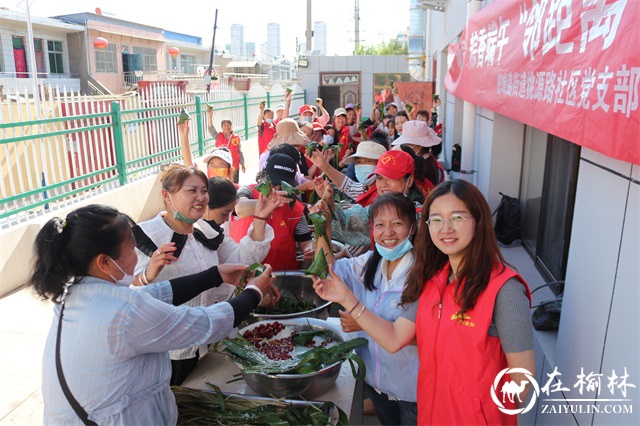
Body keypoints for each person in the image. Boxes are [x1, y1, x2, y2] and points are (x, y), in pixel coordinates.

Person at [32, 204, 278, 425]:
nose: (136, 256)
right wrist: (254, 292)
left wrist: (214, 275)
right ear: (104, 262)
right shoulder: (123, 312)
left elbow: (153, 294)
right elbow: (202, 325)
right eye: (130, 250)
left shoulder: (78, 295)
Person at [313, 180, 534, 425]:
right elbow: (396, 338)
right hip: (430, 412)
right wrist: (345, 297)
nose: (446, 228)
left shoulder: (505, 290)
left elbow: (521, 383)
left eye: (457, 218)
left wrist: (475, 409)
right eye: (436, 219)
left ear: (479, 221)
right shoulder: (431, 281)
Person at [132, 164, 279, 385]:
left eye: (203, 190)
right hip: (167, 354)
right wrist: (148, 274)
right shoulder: (147, 236)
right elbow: (127, 294)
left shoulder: (205, 231)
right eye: (192, 191)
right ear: (166, 195)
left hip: (207, 343)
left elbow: (243, 261)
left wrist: (260, 218)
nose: (201, 197)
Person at [312, 193, 419, 425]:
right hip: (376, 383)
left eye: (397, 224)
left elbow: (430, 337)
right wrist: (322, 227)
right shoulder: (369, 262)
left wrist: (363, 324)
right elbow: (327, 270)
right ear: (372, 229)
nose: (388, 233)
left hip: (413, 389)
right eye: (380, 225)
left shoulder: (422, 274)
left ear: (413, 227)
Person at [231, 153, 314, 270]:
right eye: (274, 184)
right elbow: (239, 209)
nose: (278, 190)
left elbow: (305, 240)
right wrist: (268, 204)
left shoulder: (295, 208)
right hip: (243, 272)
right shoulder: (248, 191)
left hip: (280, 275)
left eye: (284, 186)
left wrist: (309, 249)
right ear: (263, 177)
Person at [392, 120, 443, 190]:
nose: (405, 147)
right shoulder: (427, 159)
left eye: (408, 144)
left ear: (419, 146)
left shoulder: (425, 165)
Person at [207, 105, 245, 183]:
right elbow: (211, 128)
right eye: (224, 125)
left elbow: (239, 151)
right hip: (221, 168)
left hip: (234, 166)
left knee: (234, 185)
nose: (226, 127)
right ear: (221, 127)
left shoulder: (236, 138)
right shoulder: (218, 136)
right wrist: (210, 116)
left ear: (232, 127)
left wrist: (242, 163)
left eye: (228, 125)